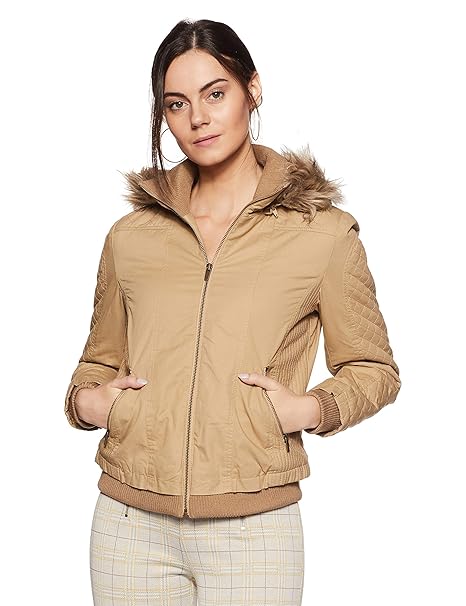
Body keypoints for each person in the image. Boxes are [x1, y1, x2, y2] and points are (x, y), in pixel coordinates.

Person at [64, 18, 401, 606]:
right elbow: (98, 359)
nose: (197, 118)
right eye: (177, 104)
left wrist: (311, 408)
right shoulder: (131, 235)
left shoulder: (322, 233)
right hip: (127, 523)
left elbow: (374, 369)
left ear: (253, 89)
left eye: (215, 93)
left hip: (255, 528)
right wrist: (87, 403)